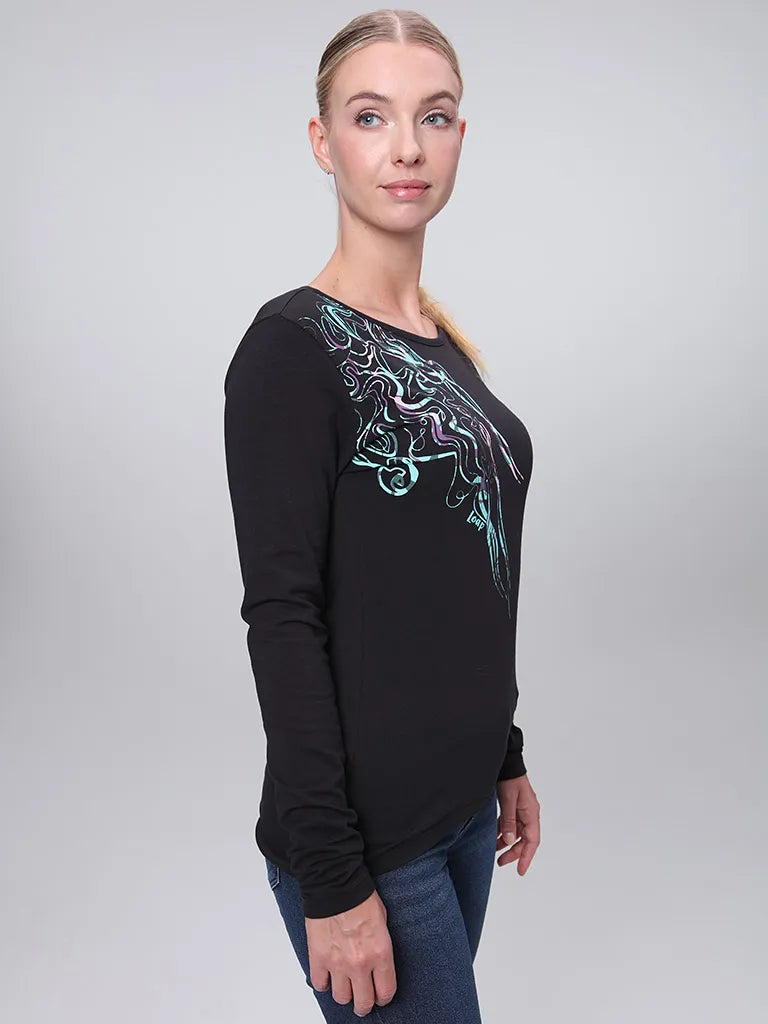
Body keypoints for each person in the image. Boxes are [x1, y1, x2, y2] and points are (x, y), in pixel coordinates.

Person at [223, 9, 541, 1021]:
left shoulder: (440, 344)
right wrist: (331, 878)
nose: (407, 146)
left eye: (433, 116)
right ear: (324, 142)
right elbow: (283, 616)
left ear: (459, 137)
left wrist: (504, 755)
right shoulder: (291, 350)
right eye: (370, 117)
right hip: (372, 845)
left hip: (461, 811)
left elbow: (457, 579)